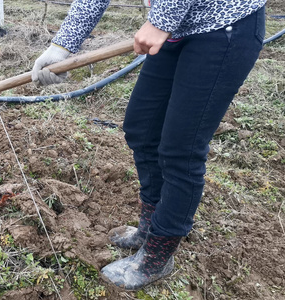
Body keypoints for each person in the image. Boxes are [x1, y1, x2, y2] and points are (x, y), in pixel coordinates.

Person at [32, 0, 267, 291]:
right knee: (142, 129)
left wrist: (161, 21)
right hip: (177, 30)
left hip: (223, 27)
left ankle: (158, 254)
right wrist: (63, 45)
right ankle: (149, 227)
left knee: (181, 147)